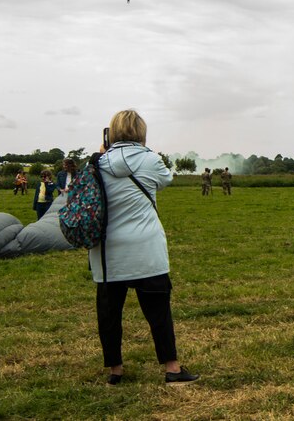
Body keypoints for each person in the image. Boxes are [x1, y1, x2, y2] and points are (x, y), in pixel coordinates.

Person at [92, 109, 198, 385]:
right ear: (141, 132)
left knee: (109, 313)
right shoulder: (150, 159)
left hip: (107, 250)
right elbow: (166, 180)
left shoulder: (97, 162)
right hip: (145, 247)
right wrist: (144, 150)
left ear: (111, 132)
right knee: (158, 311)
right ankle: (172, 368)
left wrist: (103, 152)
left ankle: (115, 370)